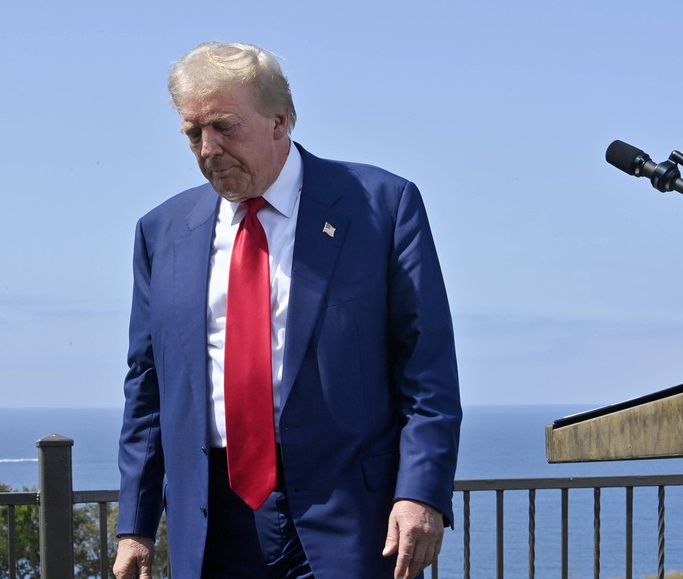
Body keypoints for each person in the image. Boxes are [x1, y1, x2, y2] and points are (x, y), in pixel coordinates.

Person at [114, 41, 461, 579]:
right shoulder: (161, 233)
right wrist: (135, 525)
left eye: (225, 127)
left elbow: (426, 368)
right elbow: (148, 386)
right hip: (212, 527)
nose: (208, 149)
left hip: (349, 521)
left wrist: (421, 494)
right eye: (192, 133)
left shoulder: (381, 208)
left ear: (281, 121)